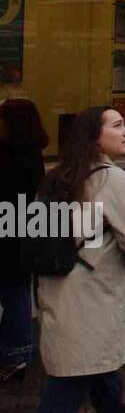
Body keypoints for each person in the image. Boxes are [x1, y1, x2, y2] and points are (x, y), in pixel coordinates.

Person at [31, 106, 125, 413]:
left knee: (100, 382)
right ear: (95, 139)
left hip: (59, 290)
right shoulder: (112, 180)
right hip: (93, 298)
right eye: (117, 125)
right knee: (68, 387)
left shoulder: (56, 176)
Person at [0, 99, 49, 383]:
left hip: (10, 228)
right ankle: (18, 352)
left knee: (13, 292)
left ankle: (16, 352)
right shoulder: (33, 153)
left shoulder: (10, 155)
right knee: (17, 290)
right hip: (24, 227)